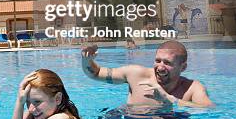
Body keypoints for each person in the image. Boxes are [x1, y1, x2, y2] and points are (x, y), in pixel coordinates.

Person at [82, 40, 214, 108]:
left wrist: (171, 100)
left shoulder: (192, 88)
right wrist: (87, 61)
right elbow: (96, 73)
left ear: (183, 67)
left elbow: (210, 109)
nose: (160, 67)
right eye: (157, 61)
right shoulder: (136, 74)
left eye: (167, 63)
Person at [11, 69, 81, 119]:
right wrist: (20, 102)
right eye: (27, 102)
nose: (31, 109)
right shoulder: (33, 112)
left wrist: (19, 103)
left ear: (58, 99)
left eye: (37, 102)